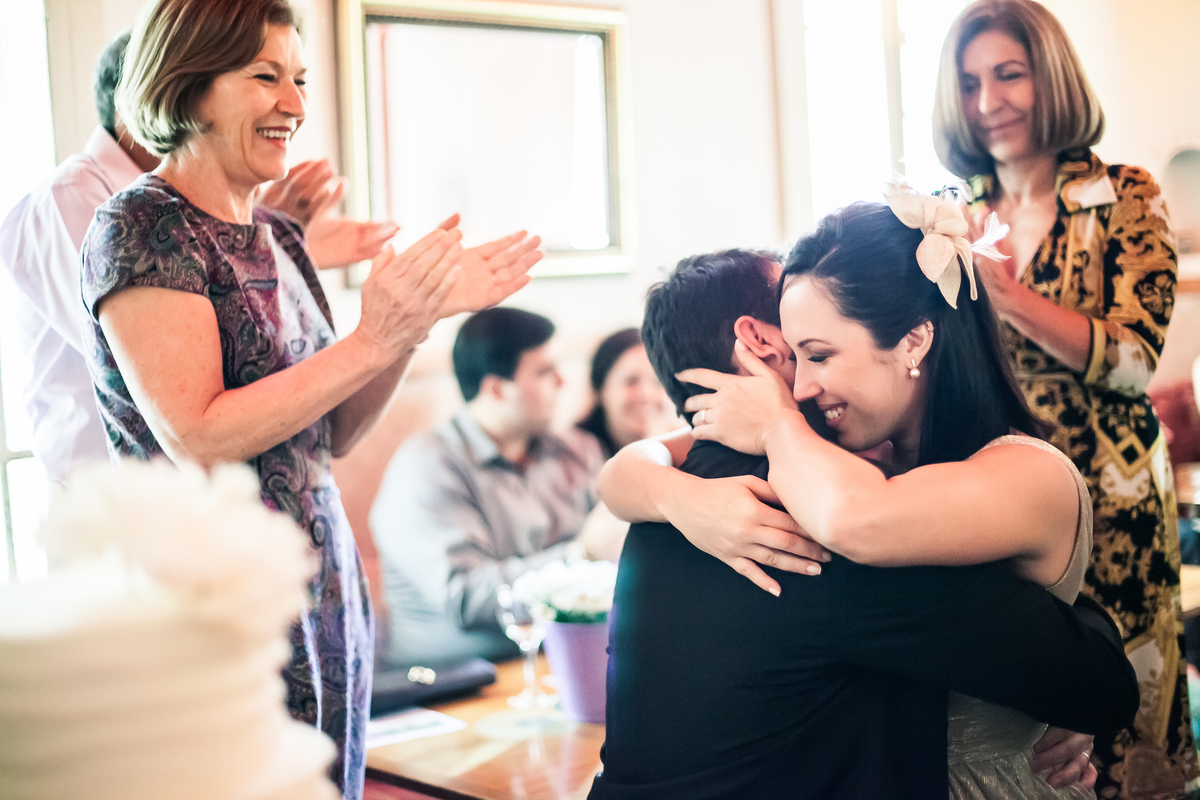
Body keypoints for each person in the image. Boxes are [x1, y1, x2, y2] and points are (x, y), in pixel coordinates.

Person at [77, 1, 541, 797]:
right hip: (215, 613)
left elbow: (335, 436)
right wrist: (371, 336)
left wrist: (410, 326)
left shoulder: (282, 236)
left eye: (298, 79)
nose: (294, 104)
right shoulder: (143, 227)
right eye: (266, 77)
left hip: (322, 594)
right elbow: (201, 436)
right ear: (188, 83)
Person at [592, 245, 1136, 799]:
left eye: (821, 349)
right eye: (801, 338)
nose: (806, 380)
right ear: (759, 340)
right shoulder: (803, 517)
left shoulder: (681, 494)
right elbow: (1095, 682)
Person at [932, 1, 1193, 795]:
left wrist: (1012, 298)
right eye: (971, 83)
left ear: (1051, 77)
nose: (990, 101)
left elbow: (1133, 362)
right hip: (1002, 489)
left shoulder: (1124, 194)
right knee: (1031, 717)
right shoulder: (955, 208)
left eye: (1009, 74)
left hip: (1112, 496)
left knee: (1127, 697)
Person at [0, 30, 395, 488]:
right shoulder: (80, 199)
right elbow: (160, 357)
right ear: (147, 101)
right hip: (115, 509)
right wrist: (259, 237)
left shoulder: (192, 214)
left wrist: (284, 241)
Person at [370, 307, 611, 667]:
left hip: (565, 662)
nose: (563, 382)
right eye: (545, 372)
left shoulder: (577, 449)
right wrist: (582, 555)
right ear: (496, 388)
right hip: (455, 685)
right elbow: (465, 597)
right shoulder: (426, 466)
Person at [576, 328, 672, 459]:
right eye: (631, 381)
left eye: (658, 382)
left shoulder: (686, 444)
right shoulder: (573, 455)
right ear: (599, 390)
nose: (647, 394)